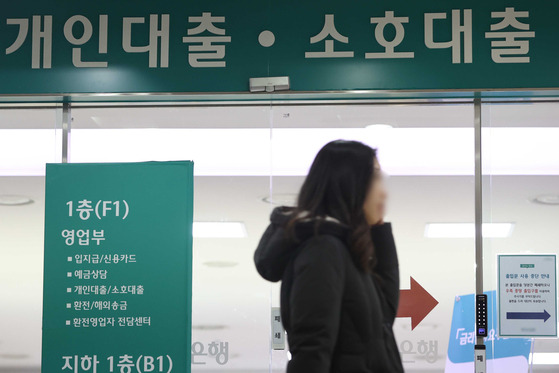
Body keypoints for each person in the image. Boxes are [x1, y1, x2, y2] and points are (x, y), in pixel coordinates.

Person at [253, 139, 404, 373]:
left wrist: (379, 232)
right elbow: (311, 351)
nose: (383, 192)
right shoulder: (323, 249)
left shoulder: (345, 250)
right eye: (375, 178)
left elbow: (384, 319)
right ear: (348, 182)